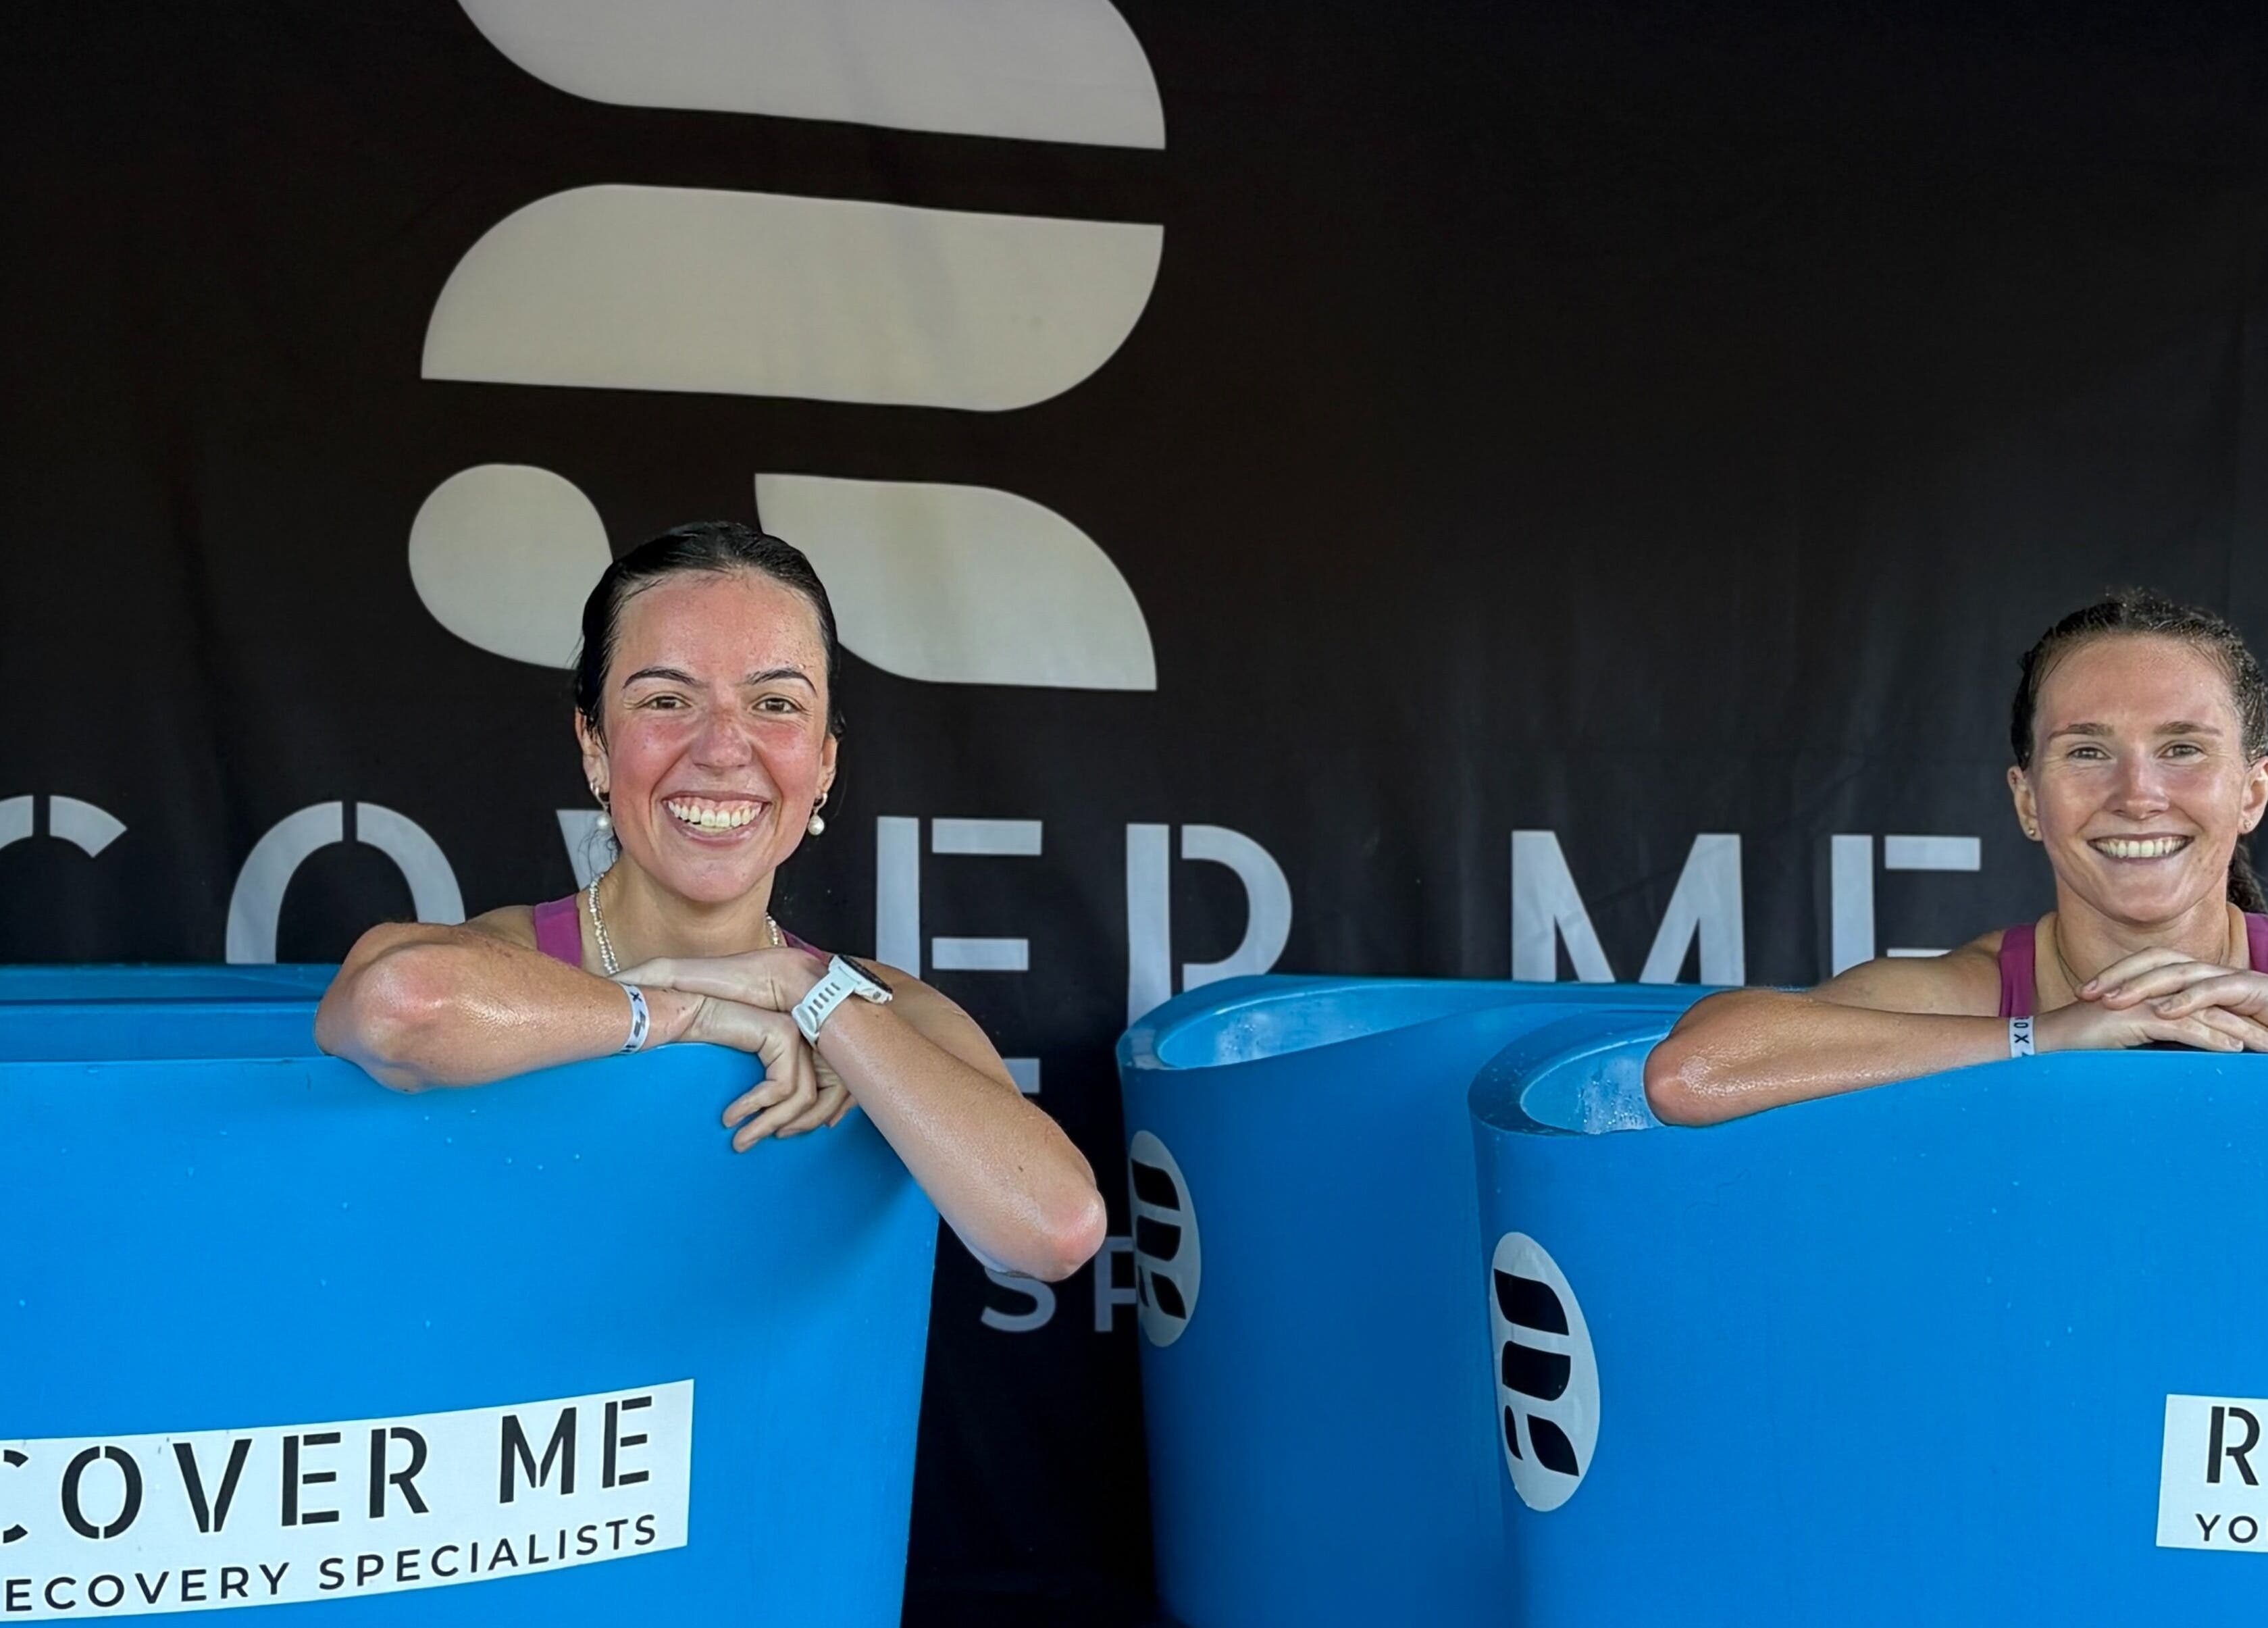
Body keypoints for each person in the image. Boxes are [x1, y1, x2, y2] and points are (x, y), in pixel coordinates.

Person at [317, 521, 1106, 1281]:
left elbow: (1052, 1230)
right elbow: (398, 1002)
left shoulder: (875, 1007)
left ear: (825, 763)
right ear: (595, 744)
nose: (724, 748)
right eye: (666, 700)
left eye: (775, 704)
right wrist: (681, 1013)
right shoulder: (511, 960)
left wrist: (811, 995)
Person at [1645, 589, 2268, 1127]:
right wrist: (2048, 1035)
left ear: (2252, 794)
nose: (2137, 796)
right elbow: (1690, 1073)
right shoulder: (1978, 993)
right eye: (2086, 752)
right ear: (2028, 801)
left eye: (2183, 749)